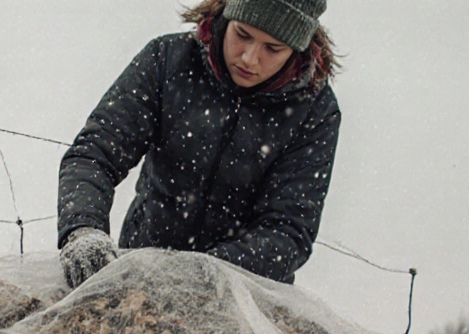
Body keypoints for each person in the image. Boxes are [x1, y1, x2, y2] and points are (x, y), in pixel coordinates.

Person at [58, 0, 340, 288]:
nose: (249, 58)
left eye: (273, 48)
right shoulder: (168, 60)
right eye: (242, 35)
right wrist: (83, 227)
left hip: (243, 295)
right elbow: (95, 152)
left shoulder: (315, 111)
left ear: (298, 47)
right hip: (140, 270)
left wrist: (200, 276)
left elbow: (288, 231)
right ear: (226, 17)